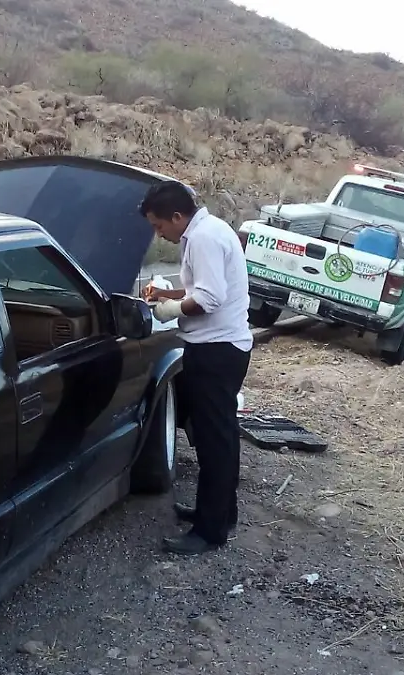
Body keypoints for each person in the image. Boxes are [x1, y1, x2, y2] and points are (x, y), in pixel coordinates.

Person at [140, 181, 253, 555]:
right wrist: (167, 294)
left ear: (177, 216)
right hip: (221, 348)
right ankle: (219, 512)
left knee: (215, 441)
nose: (159, 234)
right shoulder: (208, 231)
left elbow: (208, 297)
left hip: (216, 352)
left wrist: (170, 310)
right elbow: (200, 288)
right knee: (218, 437)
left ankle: (209, 531)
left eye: (159, 226)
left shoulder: (203, 238)